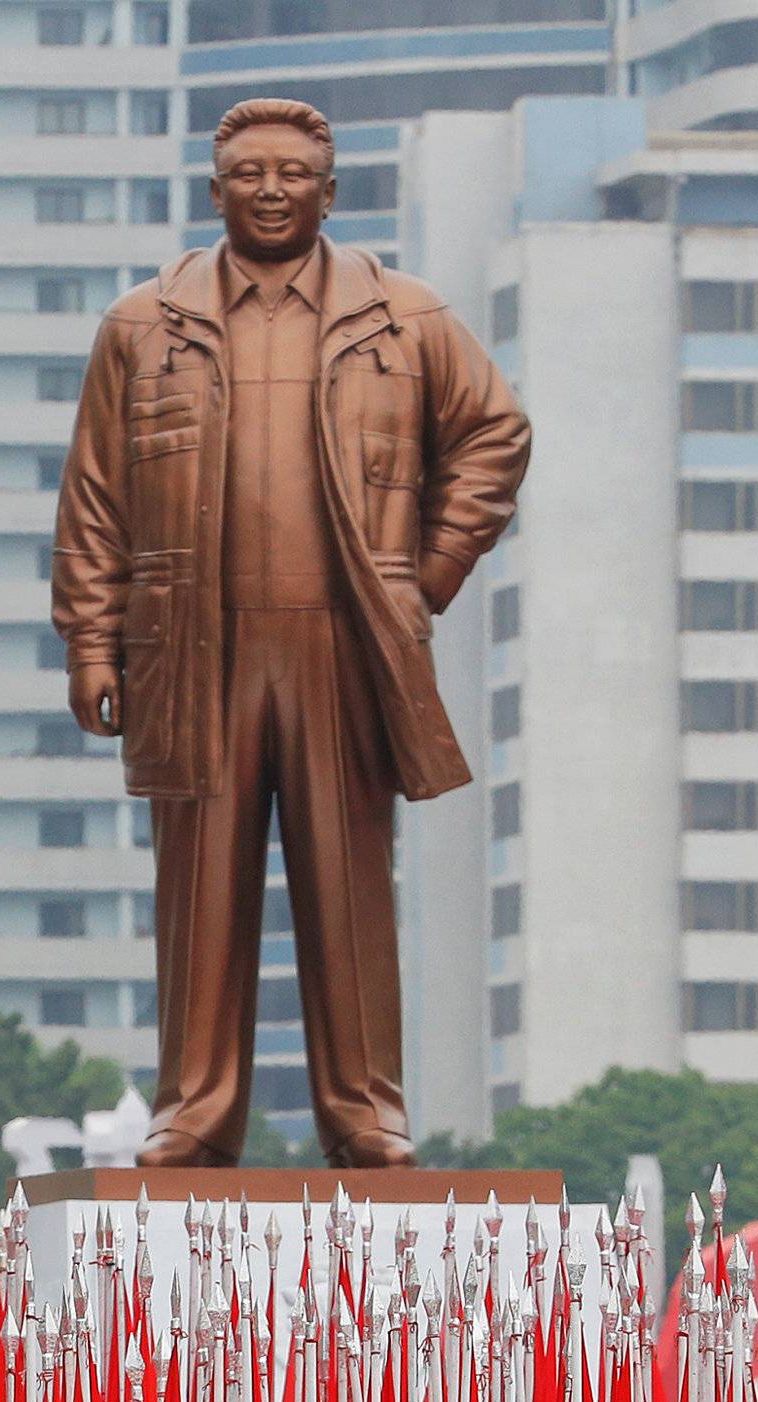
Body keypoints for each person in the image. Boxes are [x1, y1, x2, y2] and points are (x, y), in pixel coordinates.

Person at [52, 96, 529, 1169]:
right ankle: (196, 1109)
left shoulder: (403, 316)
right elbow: (93, 498)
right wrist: (91, 643)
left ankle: (366, 1111)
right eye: (250, 174)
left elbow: (496, 434)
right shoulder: (144, 322)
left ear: (331, 190)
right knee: (200, 888)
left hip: (344, 641)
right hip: (191, 644)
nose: (271, 191)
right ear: (214, 190)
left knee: (348, 885)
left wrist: (428, 575)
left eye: (293, 174)